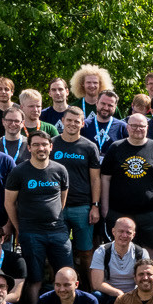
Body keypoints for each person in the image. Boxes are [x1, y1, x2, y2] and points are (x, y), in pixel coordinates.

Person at [2, 130, 69, 304]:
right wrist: (19, 228)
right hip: (31, 232)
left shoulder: (60, 170)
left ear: (50, 146)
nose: (41, 148)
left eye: (44, 144)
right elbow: (9, 203)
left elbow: (62, 199)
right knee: (35, 278)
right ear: (29, 148)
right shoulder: (19, 171)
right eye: (36, 144)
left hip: (58, 230)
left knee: (65, 274)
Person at [104, 113, 153, 250]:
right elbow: (105, 178)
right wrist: (105, 208)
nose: (138, 129)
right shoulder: (115, 147)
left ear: (147, 127)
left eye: (141, 126)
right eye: (134, 125)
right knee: (121, 250)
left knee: (152, 252)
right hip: (120, 212)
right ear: (127, 127)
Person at [49, 108, 103, 260]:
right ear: (63, 121)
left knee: (85, 251)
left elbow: (95, 179)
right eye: (69, 120)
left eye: (76, 121)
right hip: (56, 206)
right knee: (57, 249)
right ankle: (57, 283)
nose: (72, 124)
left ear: (82, 124)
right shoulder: (51, 144)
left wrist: (95, 206)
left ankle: (88, 284)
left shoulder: (89, 147)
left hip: (82, 207)